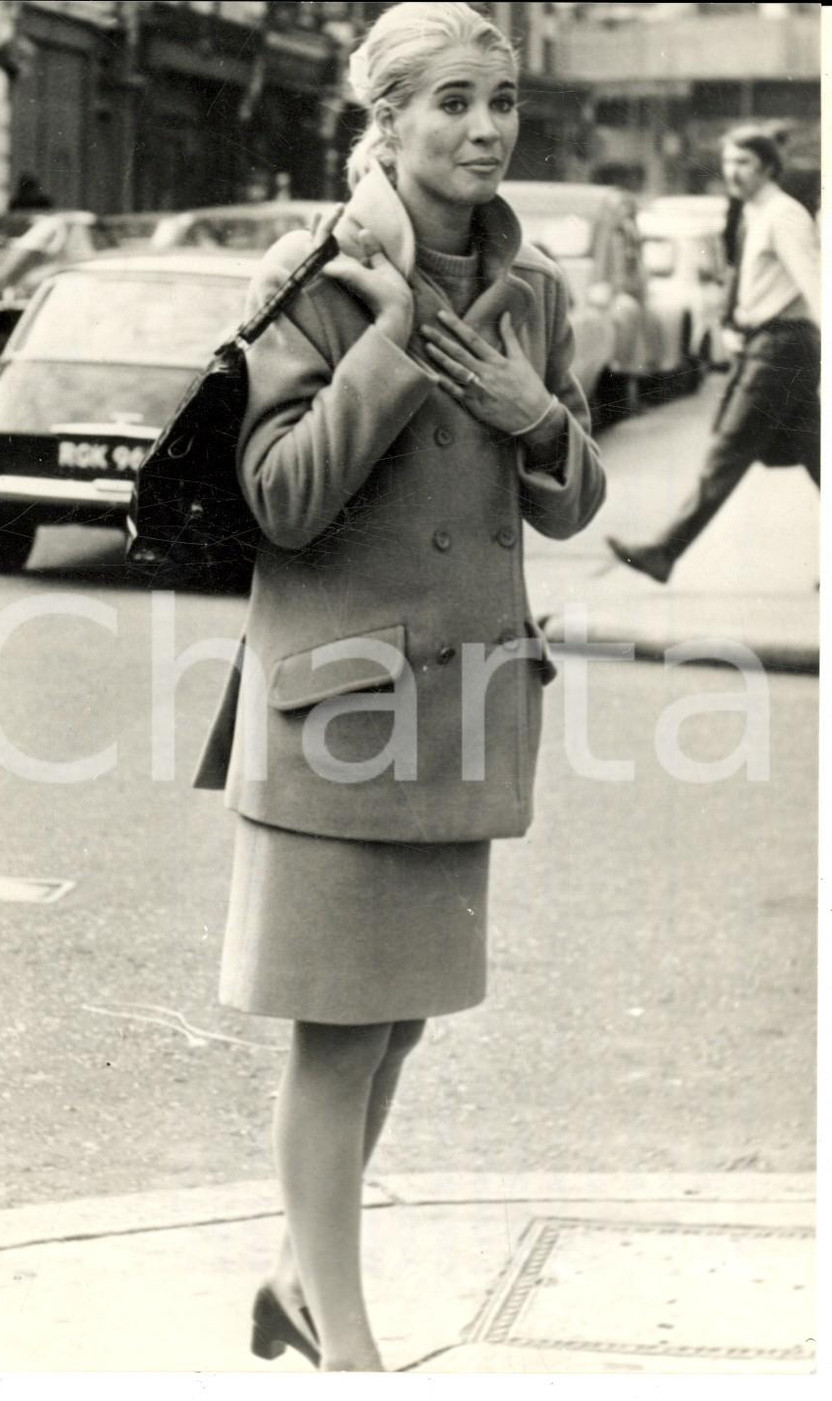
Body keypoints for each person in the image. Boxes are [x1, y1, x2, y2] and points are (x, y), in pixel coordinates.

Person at [194, 1, 605, 1372]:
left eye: (502, 102)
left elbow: (566, 500)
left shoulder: (533, 288)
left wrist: (530, 414)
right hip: (342, 707)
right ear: (384, 120)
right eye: (453, 103)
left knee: (403, 1019)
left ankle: (296, 1280)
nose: (487, 128)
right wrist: (385, 339)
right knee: (339, 1026)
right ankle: (347, 1343)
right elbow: (282, 500)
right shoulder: (309, 272)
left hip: (464, 700)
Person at [607, 126, 820, 584]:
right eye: (727, 163)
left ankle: (665, 550)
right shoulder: (755, 213)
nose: (733, 172)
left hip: (782, 348)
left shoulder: (783, 216)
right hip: (772, 343)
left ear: (767, 166)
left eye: (744, 163)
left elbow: (813, 283)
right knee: (818, 454)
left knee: (729, 449)